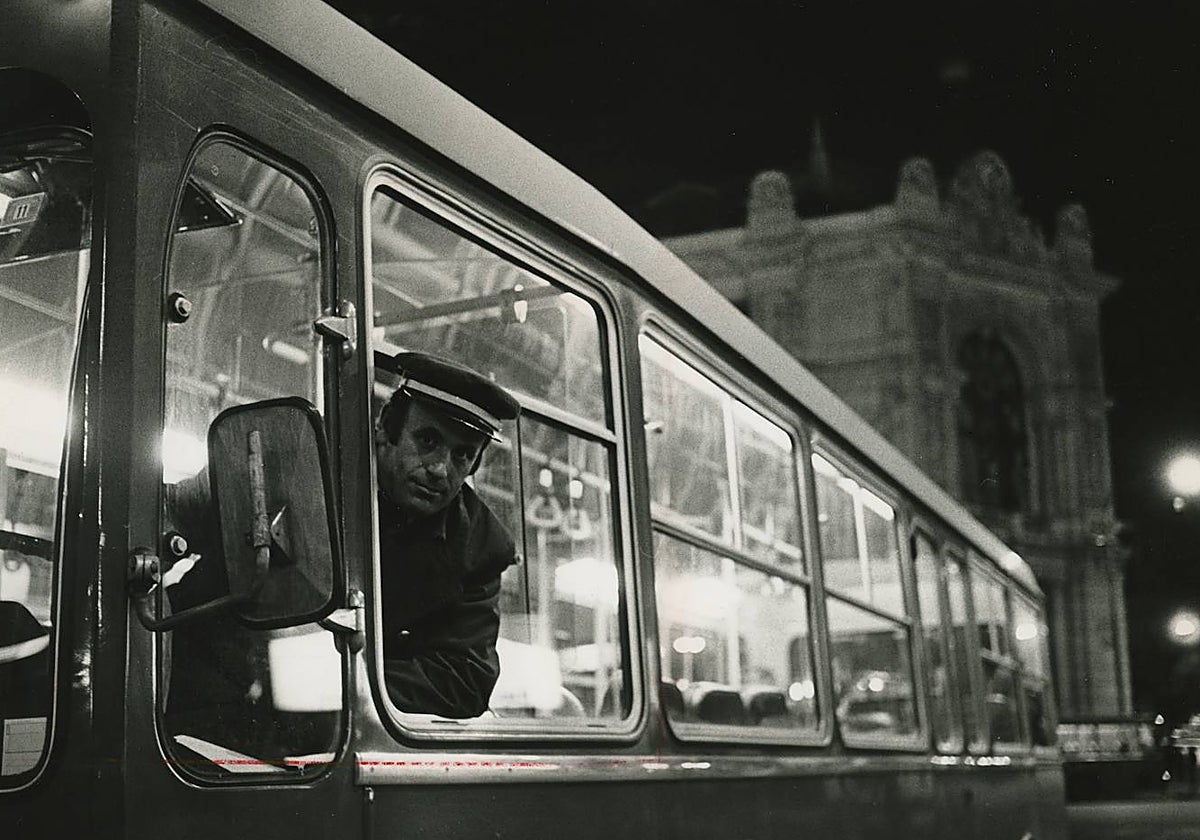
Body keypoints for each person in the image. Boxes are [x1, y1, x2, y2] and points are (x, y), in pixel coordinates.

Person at [375, 352, 520, 718]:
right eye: (427, 441)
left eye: (462, 456)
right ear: (386, 428)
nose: (441, 469)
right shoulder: (316, 475)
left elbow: (465, 680)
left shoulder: (482, 545)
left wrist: (340, 680)